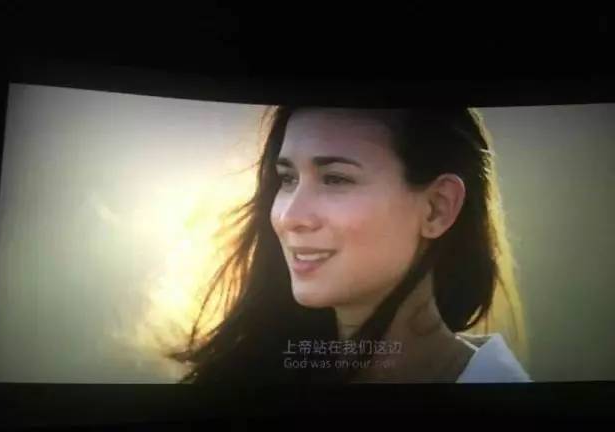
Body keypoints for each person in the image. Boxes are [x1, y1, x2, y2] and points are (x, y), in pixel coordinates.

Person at [169, 106, 530, 384]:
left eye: (335, 179)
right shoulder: (255, 375)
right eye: (287, 179)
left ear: (437, 208)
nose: (290, 217)